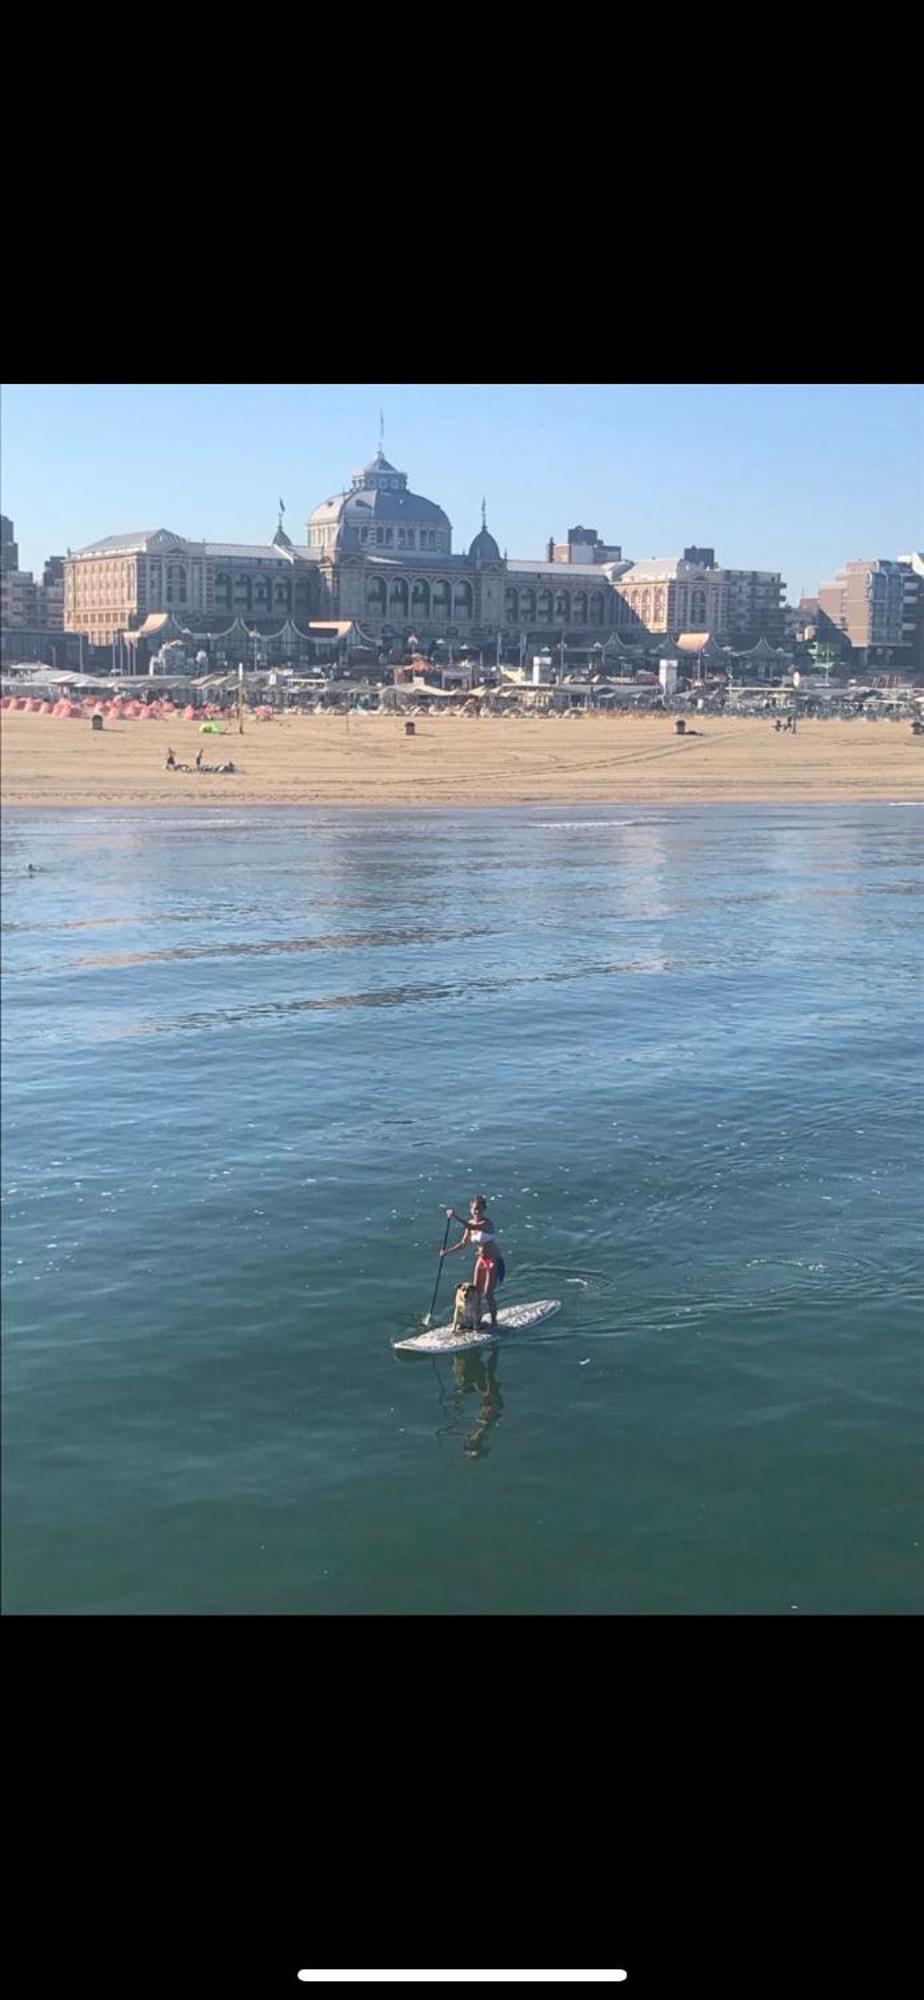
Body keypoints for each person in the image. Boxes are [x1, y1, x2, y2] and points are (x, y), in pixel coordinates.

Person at [444, 1194, 506, 1331]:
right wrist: (446, 1252)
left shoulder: (486, 1223)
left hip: (493, 1260)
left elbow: (471, 1227)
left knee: (488, 1293)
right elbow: (462, 1244)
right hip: (481, 1259)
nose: (477, 1212)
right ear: (471, 1210)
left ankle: (494, 1322)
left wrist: (454, 1216)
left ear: (484, 1210)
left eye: (480, 1209)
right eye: (475, 1209)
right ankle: (475, 1319)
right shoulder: (470, 1224)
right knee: (475, 1292)